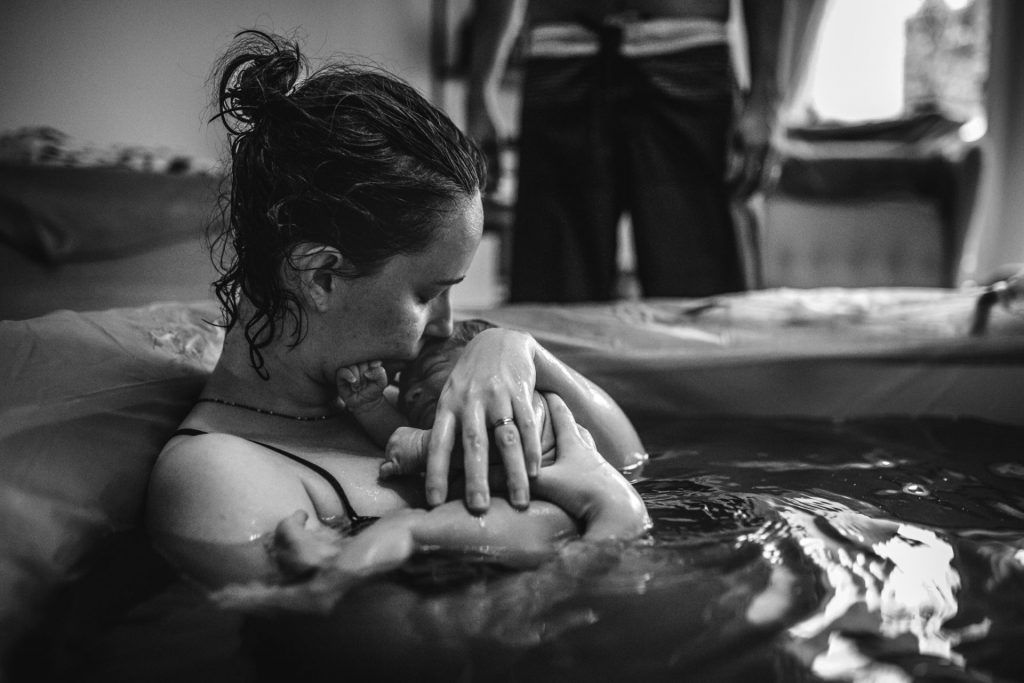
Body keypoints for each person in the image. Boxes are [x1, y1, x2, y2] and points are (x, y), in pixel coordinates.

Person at [145, 30, 650, 593]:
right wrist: (605, 527)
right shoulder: (221, 475)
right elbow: (383, 652)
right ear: (322, 276)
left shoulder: (388, 404)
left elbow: (631, 464)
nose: (448, 325)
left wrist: (514, 349)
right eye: (429, 293)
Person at [465, 0, 785, 302]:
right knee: (552, 294)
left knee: (703, 301)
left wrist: (766, 95)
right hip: (561, 53)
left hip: (686, 51)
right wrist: (480, 91)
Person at [337, 317, 648, 500]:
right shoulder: (443, 428)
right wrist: (371, 406)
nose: (413, 393)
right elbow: (399, 440)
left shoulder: (533, 406)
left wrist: (421, 446)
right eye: (407, 394)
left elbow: (424, 445)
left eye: (430, 371)